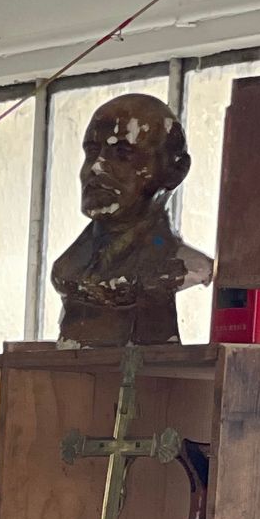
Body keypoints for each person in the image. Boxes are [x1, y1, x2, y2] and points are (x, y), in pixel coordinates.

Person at [49, 91, 212, 346]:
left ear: (175, 171)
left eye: (122, 154)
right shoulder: (68, 268)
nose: (96, 167)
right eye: (92, 152)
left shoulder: (184, 265)